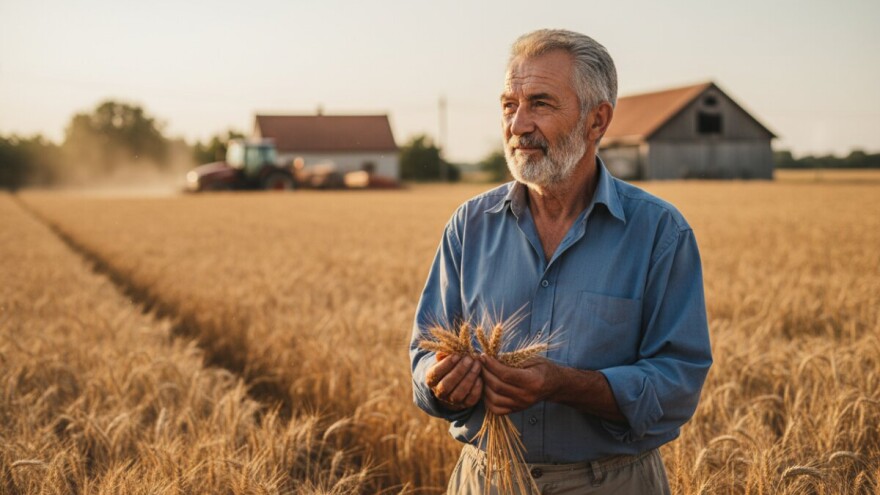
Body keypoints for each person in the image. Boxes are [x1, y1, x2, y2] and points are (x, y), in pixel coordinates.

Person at [409, 29, 712, 494]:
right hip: (485, 479)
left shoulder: (659, 233)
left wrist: (564, 384)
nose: (518, 125)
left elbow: (677, 384)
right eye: (509, 105)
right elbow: (422, 353)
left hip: (612, 482)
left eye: (540, 104)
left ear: (597, 121)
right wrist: (439, 380)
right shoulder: (468, 225)